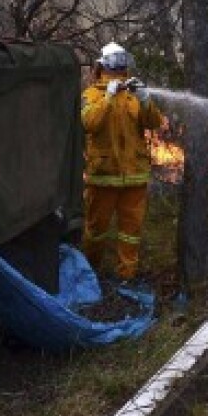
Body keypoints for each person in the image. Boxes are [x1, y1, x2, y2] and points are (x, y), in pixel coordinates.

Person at [80, 42, 164, 288]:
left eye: (122, 63)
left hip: (135, 176)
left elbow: (154, 123)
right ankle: (90, 274)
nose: (119, 68)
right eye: (114, 63)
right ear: (103, 65)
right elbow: (89, 123)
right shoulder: (91, 95)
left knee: (131, 232)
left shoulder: (133, 94)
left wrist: (146, 99)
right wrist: (107, 97)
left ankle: (126, 277)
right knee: (96, 230)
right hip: (103, 176)